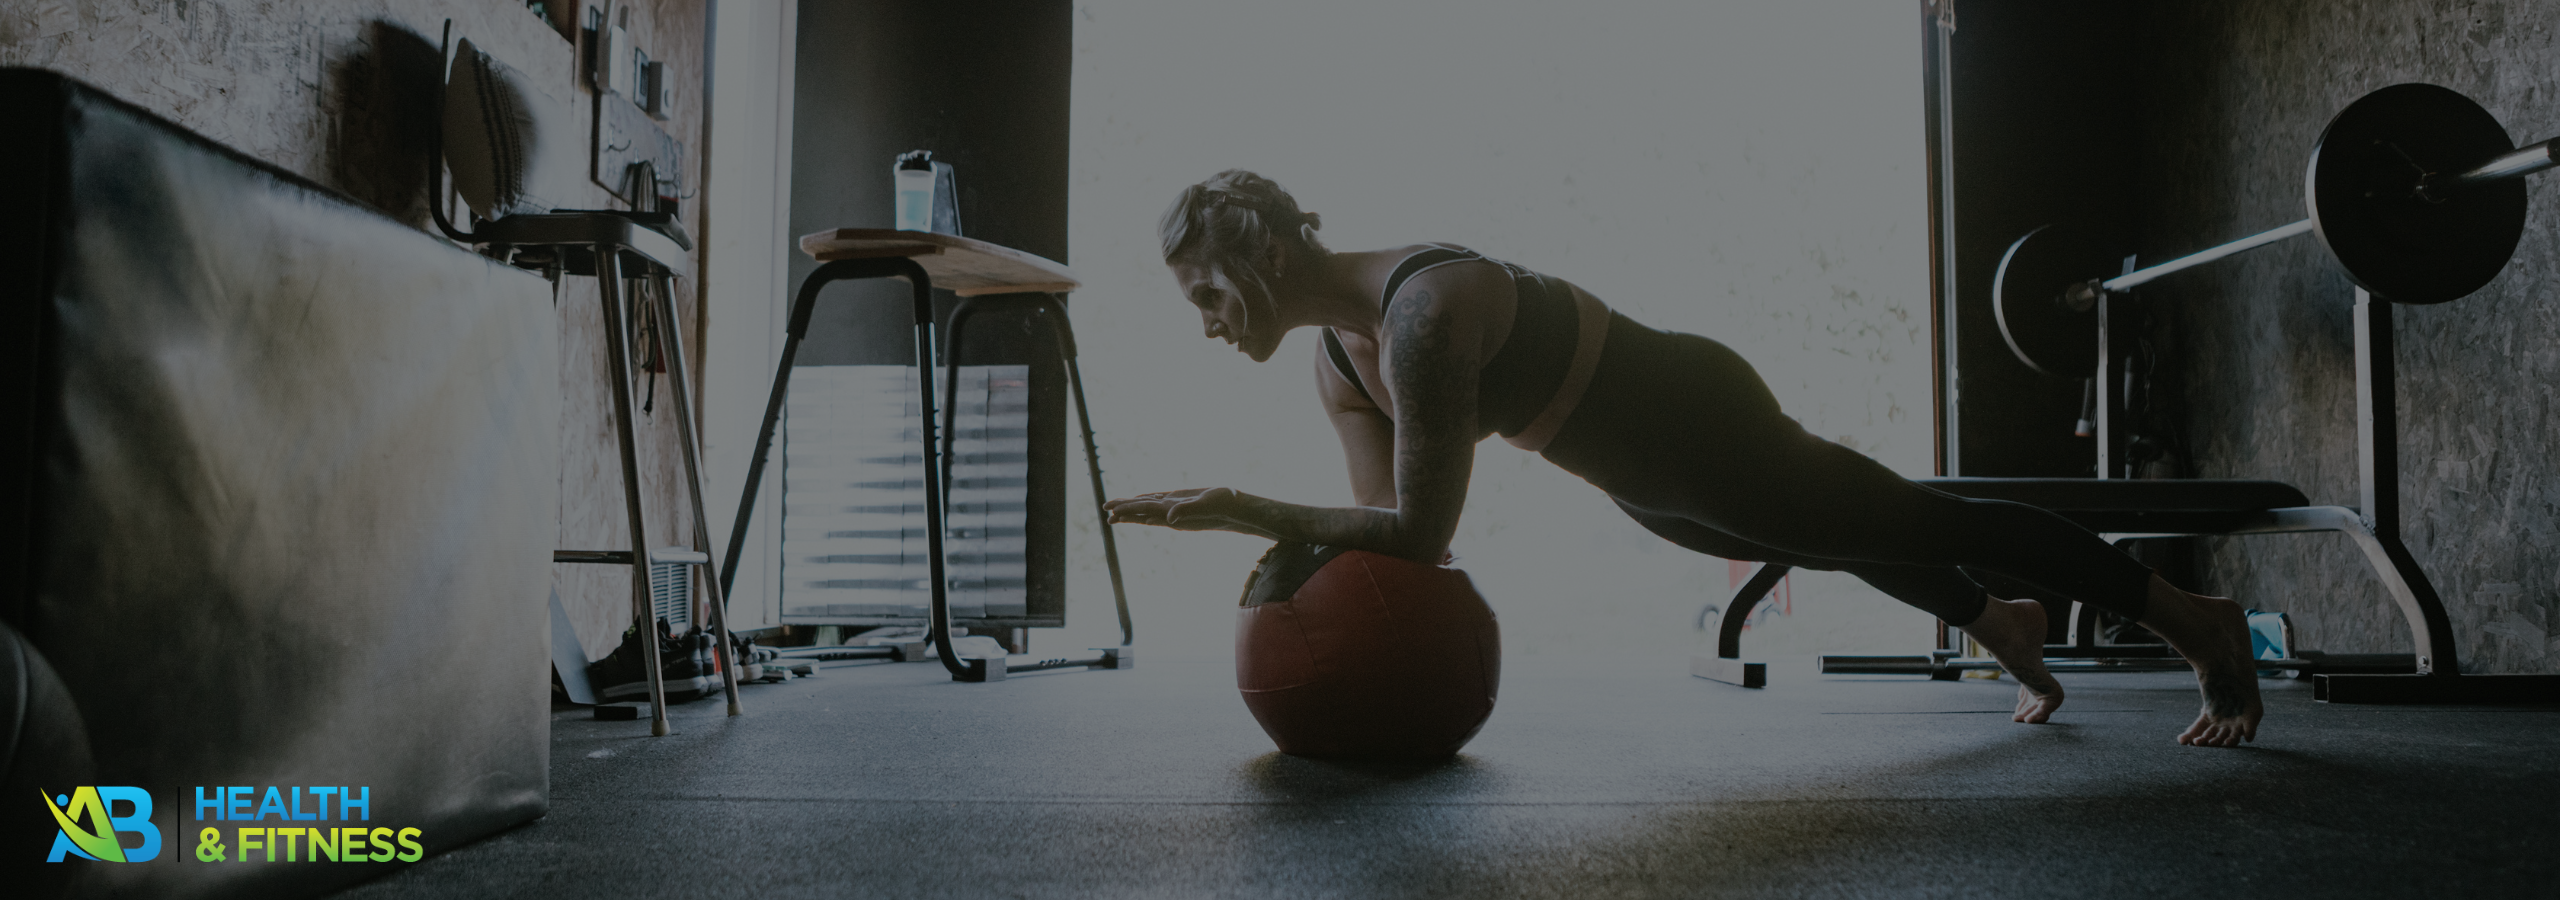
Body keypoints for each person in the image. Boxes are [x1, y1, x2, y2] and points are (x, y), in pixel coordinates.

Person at [1103, 170, 2262, 747]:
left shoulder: (1421, 317)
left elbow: (1405, 529)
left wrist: (1242, 508)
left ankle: (2186, 616)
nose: (1204, 317)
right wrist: (1285, 525)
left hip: (1690, 415)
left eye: (1204, 288)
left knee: (1904, 517)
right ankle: (1997, 619)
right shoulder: (1337, 366)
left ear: (1253, 251)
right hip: (1631, 473)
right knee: (1830, 531)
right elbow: (1418, 540)